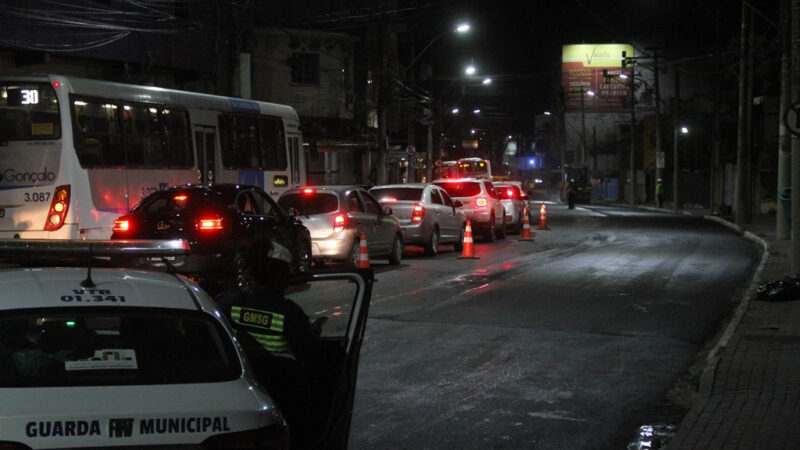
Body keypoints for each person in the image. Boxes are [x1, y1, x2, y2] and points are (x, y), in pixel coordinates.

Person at [216, 240, 325, 449]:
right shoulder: (289, 312)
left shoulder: (227, 303)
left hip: (244, 389)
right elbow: (309, 354)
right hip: (285, 392)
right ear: (281, 275)